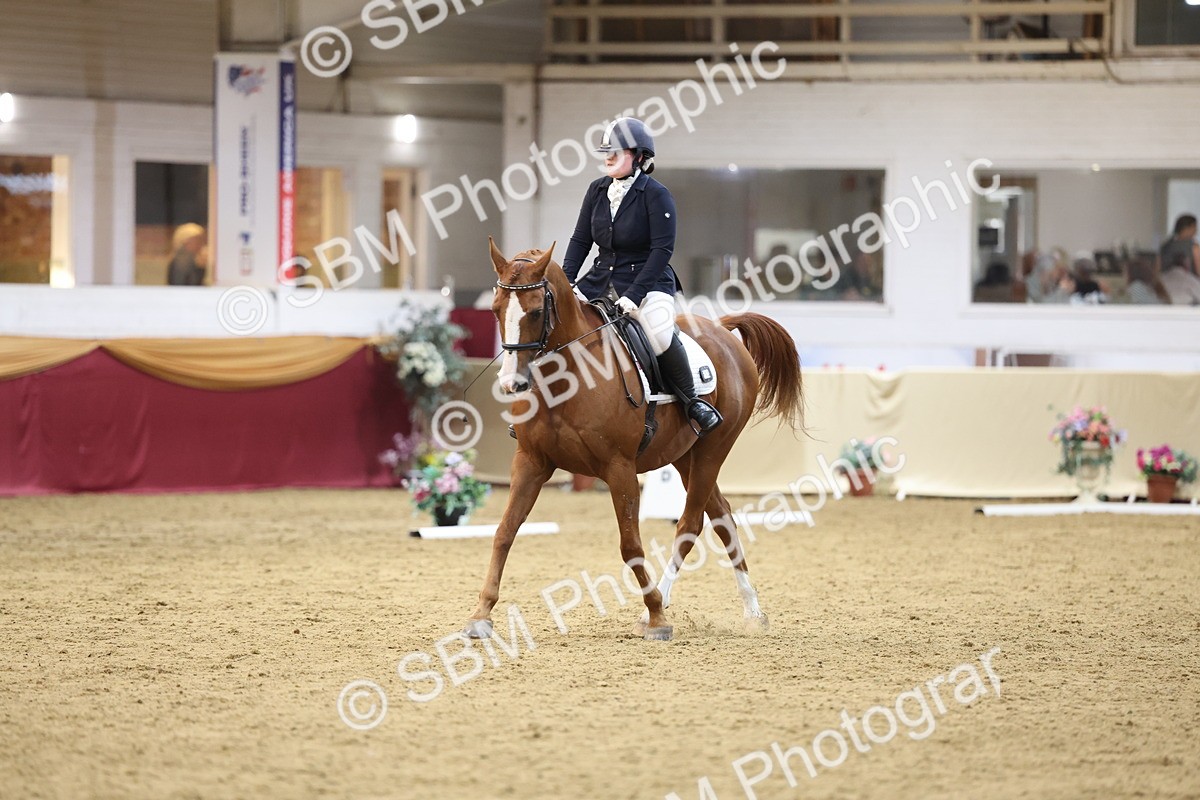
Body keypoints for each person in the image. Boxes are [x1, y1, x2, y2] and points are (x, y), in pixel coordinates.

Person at [561, 117, 721, 435]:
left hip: (648, 283)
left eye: (616, 152)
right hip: (599, 281)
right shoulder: (597, 190)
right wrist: (567, 282)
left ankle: (693, 402)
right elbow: (581, 240)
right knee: (559, 327)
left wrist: (634, 295)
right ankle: (543, 411)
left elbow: (662, 250)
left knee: (659, 332)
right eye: (606, 151)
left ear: (639, 157)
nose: (608, 157)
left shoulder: (656, 195)